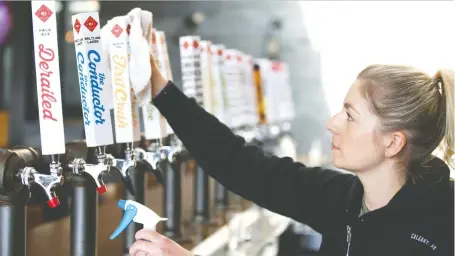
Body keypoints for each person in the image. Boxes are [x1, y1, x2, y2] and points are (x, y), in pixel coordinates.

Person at [128, 56, 454, 256]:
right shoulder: (344, 199)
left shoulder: (442, 229)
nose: (332, 124)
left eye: (350, 116)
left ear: (392, 143)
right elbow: (240, 163)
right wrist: (159, 88)